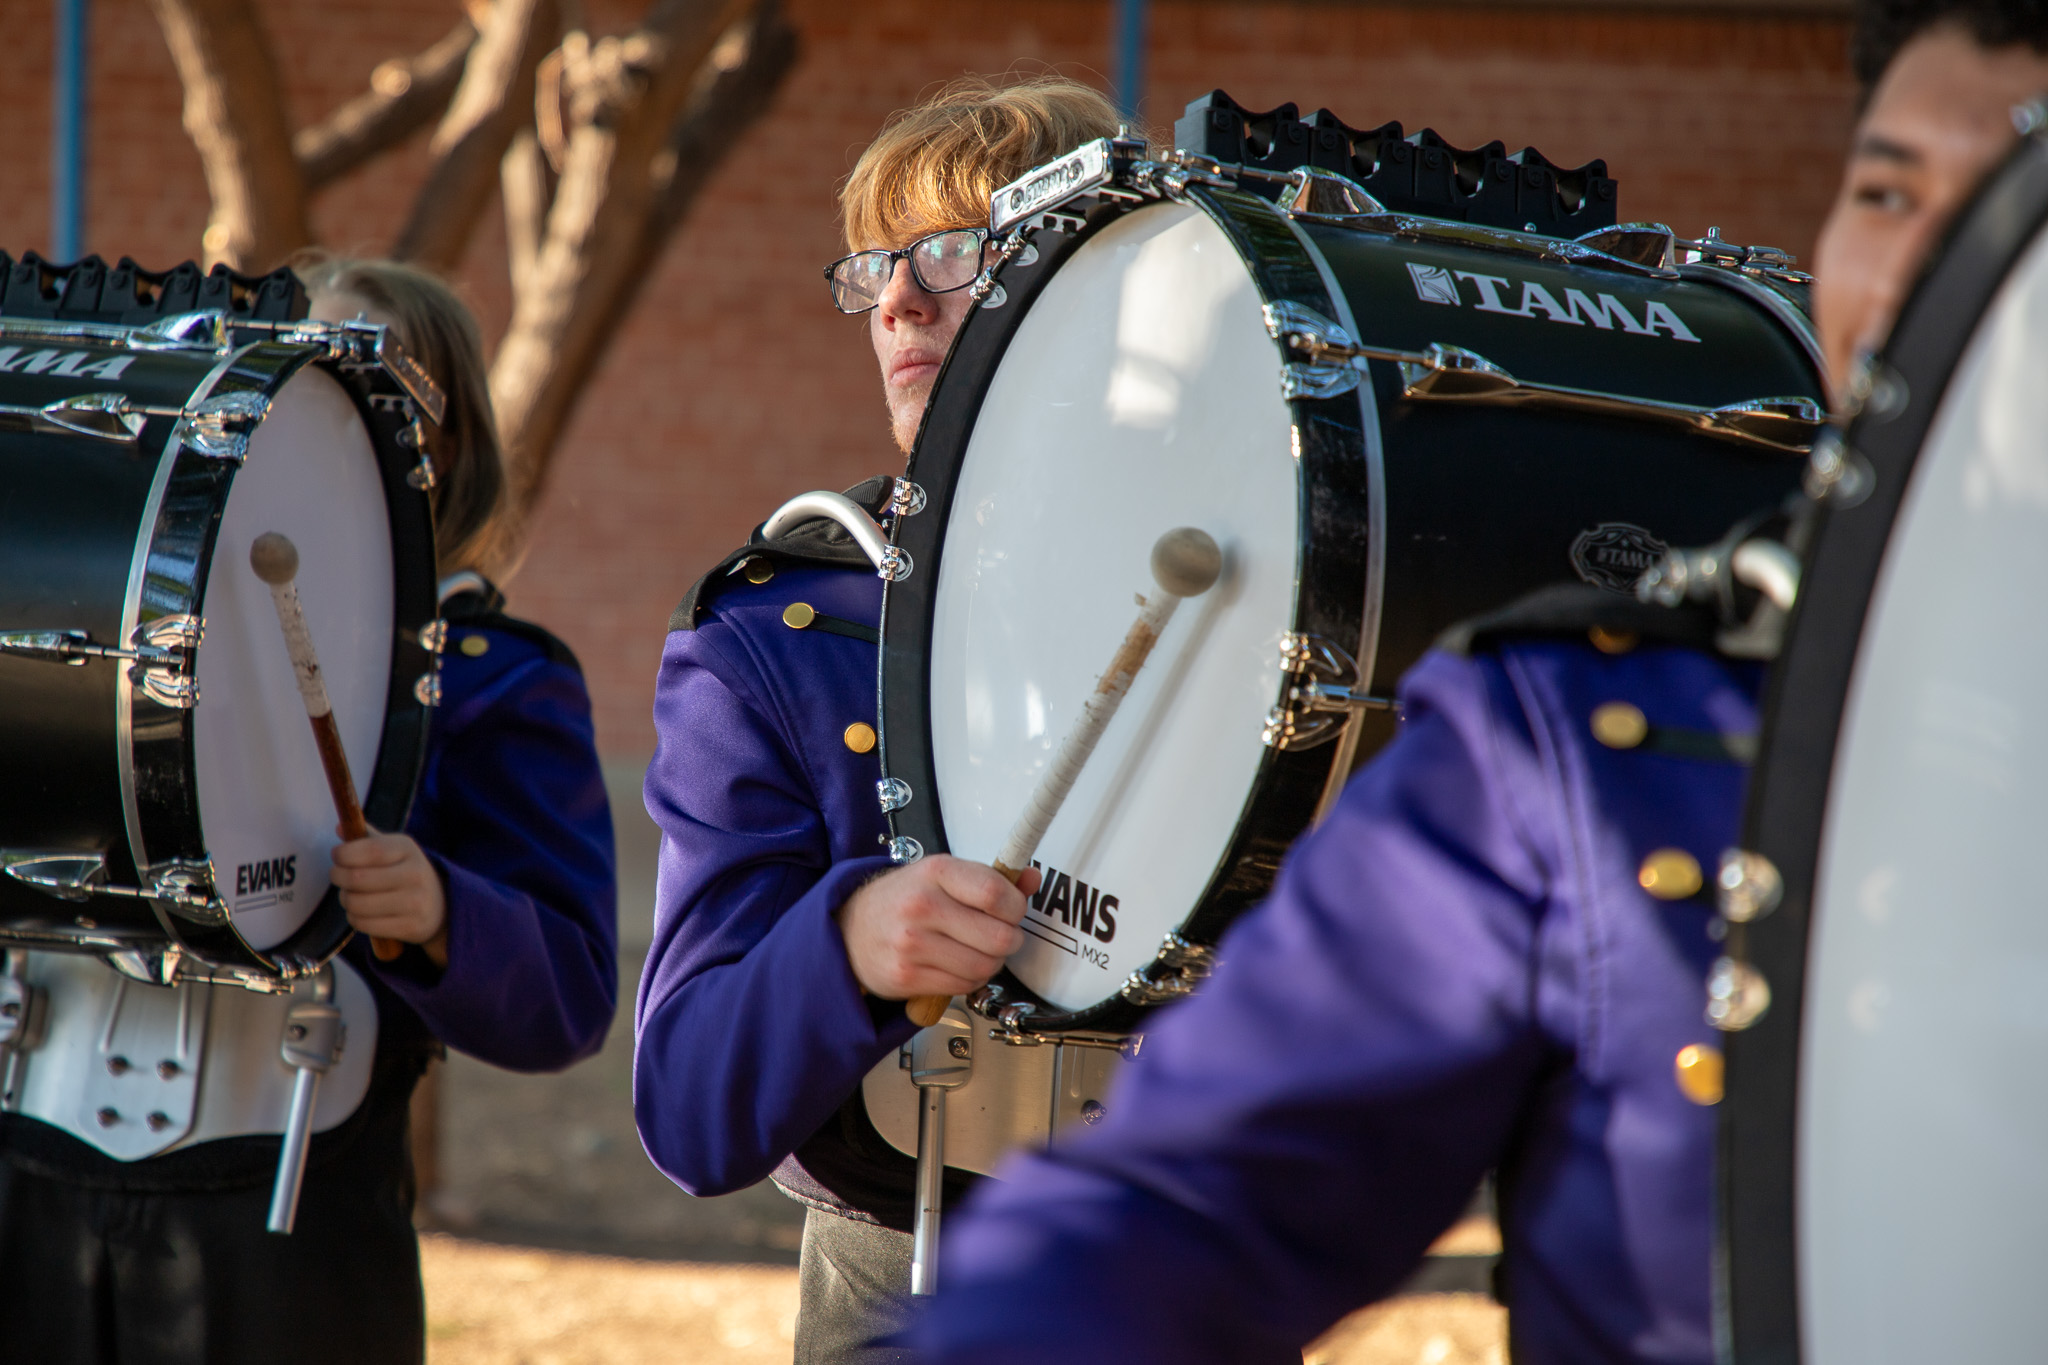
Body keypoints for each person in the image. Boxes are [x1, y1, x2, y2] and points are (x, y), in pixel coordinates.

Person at [900, 5, 2048, 1363]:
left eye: (2008, 221)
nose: (1933, 271)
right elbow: (1187, 1207)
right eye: (1885, 190)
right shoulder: (1582, 750)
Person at [0, 256, 618, 1363]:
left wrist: (442, 912)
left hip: (289, 1215)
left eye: (358, 391)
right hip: (25, 1179)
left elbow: (565, 1000)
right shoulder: (79, 638)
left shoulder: (496, 676)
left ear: (438, 451)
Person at [632, 76, 1120, 1363]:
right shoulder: (773, 633)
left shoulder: (1279, 606)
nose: (897, 299)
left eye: (953, 254)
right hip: (894, 1280)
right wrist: (843, 943)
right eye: (872, 268)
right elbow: (688, 1110)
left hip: (1184, 1271)